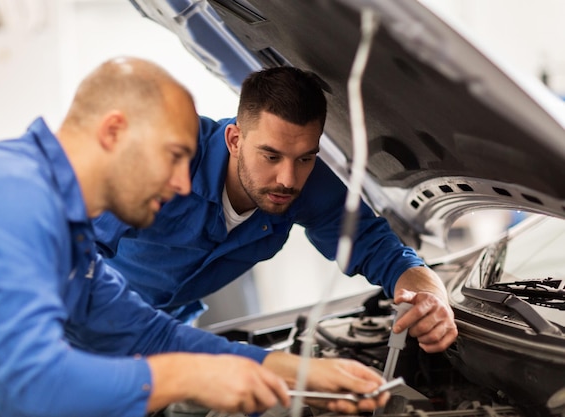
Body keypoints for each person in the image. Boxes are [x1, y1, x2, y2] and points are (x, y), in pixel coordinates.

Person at [0, 57, 389, 417]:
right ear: (114, 131)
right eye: (174, 156)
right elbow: (31, 387)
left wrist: (299, 371)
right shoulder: (7, 195)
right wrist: (183, 379)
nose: (180, 183)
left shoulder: (65, 227)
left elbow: (150, 335)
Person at [94, 66, 458, 353]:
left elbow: (383, 251)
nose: (288, 179)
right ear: (235, 140)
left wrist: (433, 299)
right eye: (271, 156)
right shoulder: (164, 158)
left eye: (304, 158)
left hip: (167, 330)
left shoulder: (310, 185)